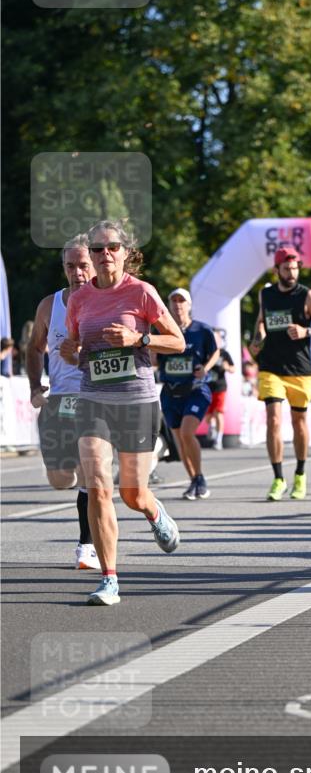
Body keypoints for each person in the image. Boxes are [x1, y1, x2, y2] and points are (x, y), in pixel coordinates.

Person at [61, 220, 185, 606]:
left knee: (132, 493)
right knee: (98, 485)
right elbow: (75, 345)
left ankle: (154, 512)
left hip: (136, 400)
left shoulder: (142, 292)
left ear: (126, 252)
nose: (104, 255)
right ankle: (109, 578)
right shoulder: (80, 299)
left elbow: (177, 342)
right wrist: (71, 352)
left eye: (111, 247)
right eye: (96, 249)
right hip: (94, 399)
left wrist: (139, 338)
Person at [26, 234, 99, 570]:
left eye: (83, 264)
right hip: (59, 401)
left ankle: (86, 546)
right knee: (60, 479)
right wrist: (34, 386)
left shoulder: (108, 302)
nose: (77, 272)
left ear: (94, 264)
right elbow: (34, 348)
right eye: (71, 266)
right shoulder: (49, 305)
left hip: (95, 397)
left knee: (88, 473)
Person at [250, 245, 311, 501]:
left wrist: (306, 331)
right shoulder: (266, 295)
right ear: (277, 270)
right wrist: (257, 339)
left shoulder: (307, 296)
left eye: (295, 268)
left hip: (300, 369)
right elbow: (261, 321)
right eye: (286, 268)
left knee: (299, 423)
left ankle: (300, 473)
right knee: (273, 418)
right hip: (271, 367)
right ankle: (277, 478)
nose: (291, 272)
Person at [157, 288, 219, 499]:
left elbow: (215, 351)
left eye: (181, 301)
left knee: (186, 433)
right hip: (170, 392)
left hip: (195, 390)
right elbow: (156, 360)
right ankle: (195, 480)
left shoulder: (201, 330)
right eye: (173, 301)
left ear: (189, 305)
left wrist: (206, 368)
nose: (177, 305)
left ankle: (199, 476)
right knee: (179, 439)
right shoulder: (162, 330)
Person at [204, 333, 235, 450]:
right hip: (207, 387)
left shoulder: (224, 354)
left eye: (216, 339)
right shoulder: (205, 352)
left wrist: (227, 367)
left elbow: (233, 368)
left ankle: (219, 439)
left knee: (218, 413)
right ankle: (211, 427)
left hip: (220, 387)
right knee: (207, 416)